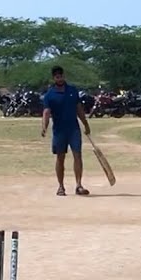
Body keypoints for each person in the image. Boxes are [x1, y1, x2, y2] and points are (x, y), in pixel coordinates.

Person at [40, 65, 92, 196]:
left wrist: (85, 124)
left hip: (73, 129)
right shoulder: (49, 95)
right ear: (54, 78)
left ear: (64, 76)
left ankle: (79, 185)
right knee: (60, 158)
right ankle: (61, 187)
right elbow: (46, 113)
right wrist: (44, 127)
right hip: (59, 131)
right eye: (57, 77)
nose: (60, 78)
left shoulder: (72, 91)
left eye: (61, 76)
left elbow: (79, 109)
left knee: (77, 156)